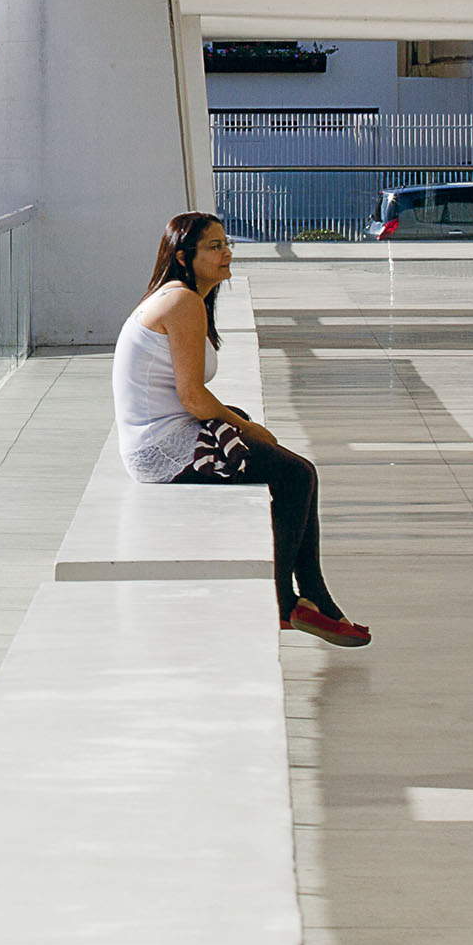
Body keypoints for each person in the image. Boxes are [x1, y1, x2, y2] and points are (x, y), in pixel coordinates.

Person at [113, 211, 369, 645]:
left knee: (259, 437)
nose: (227, 253)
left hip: (160, 436)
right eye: (214, 247)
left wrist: (239, 423)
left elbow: (183, 394)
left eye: (226, 243)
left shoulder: (182, 298)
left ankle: (312, 599)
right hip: (161, 450)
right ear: (182, 257)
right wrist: (253, 434)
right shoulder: (182, 302)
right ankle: (288, 602)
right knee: (296, 473)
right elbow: (193, 397)